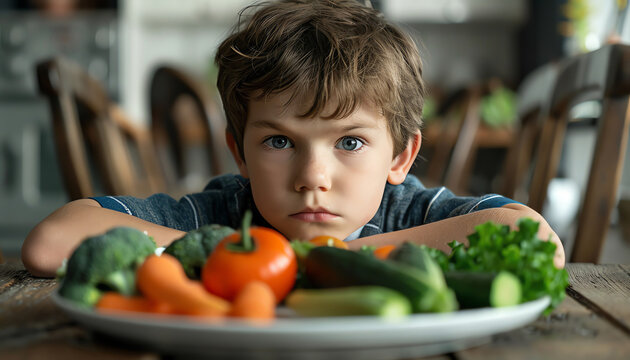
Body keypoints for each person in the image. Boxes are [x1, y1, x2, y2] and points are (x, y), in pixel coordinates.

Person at [22, 0, 564, 277]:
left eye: (350, 143)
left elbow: (534, 239)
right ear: (240, 154)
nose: (312, 179)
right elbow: (52, 243)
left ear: (400, 156)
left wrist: (333, 258)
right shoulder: (222, 217)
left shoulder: (410, 212)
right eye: (279, 143)